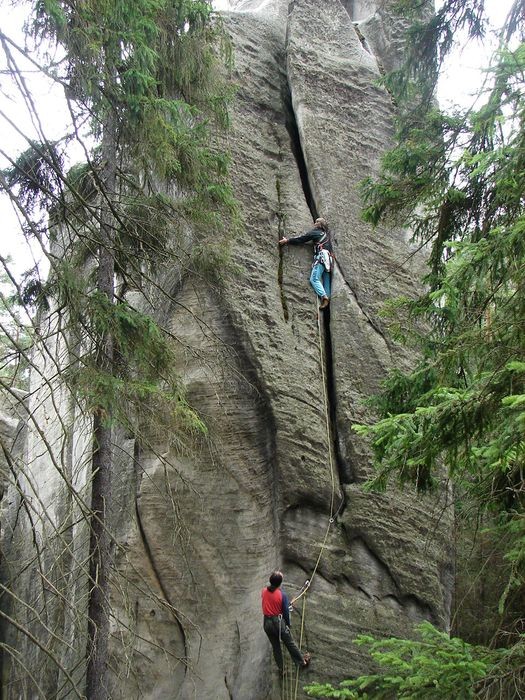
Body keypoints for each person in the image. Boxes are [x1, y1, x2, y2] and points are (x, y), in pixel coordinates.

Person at [261, 570, 311, 672]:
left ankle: (282, 669)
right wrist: (288, 624)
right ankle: (302, 662)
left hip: (266, 622)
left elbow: (271, 598)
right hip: (277, 622)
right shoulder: (281, 595)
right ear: (280, 583)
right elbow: (285, 612)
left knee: (276, 646)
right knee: (289, 643)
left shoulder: (264, 591)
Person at [279, 217, 333, 309]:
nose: (314, 224)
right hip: (329, 260)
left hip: (321, 258)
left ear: (320, 225)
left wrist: (287, 240)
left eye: (316, 222)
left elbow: (302, 238)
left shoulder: (315, 233)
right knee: (326, 280)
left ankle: (324, 297)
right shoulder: (326, 236)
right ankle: (327, 300)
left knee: (314, 279)